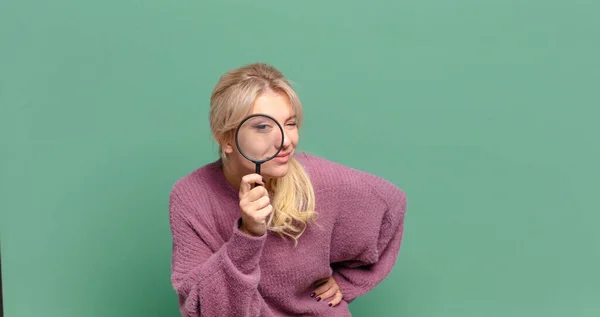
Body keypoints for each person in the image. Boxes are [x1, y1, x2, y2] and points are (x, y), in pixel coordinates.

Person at [168, 62, 408, 317]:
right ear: (226, 139)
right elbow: (204, 311)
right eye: (263, 127)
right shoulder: (191, 195)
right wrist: (247, 235)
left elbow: (392, 204)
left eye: (290, 124)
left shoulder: (321, 181)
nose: (285, 141)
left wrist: (348, 283)